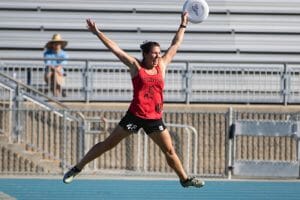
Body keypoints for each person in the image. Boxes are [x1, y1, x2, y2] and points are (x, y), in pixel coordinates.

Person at [63, 12, 205, 188]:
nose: (157, 57)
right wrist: (97, 33)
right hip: (135, 116)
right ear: (145, 54)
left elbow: (175, 44)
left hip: (154, 118)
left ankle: (185, 179)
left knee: (169, 150)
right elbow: (116, 49)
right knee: (108, 144)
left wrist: (183, 24)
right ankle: (77, 168)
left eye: (159, 53)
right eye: (153, 54)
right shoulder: (135, 66)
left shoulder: (161, 65)